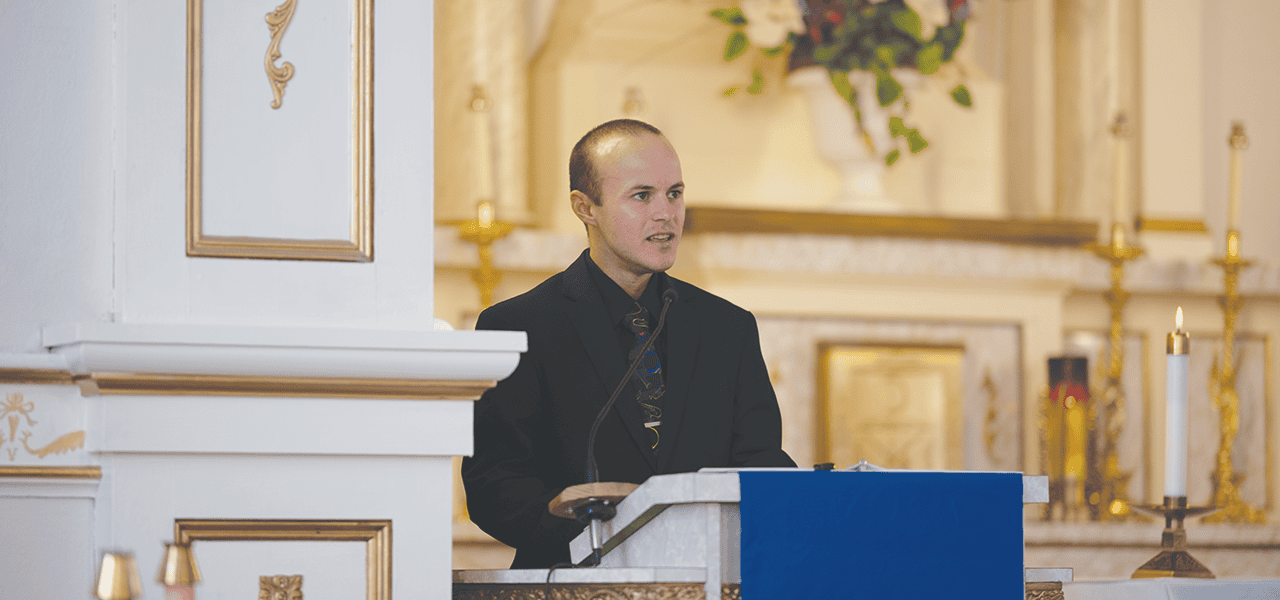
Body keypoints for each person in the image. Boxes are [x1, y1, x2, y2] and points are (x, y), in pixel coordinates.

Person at [461, 118, 795, 569]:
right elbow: (495, 483)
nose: (667, 213)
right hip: (573, 580)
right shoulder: (520, 326)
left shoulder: (727, 327)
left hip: (703, 579)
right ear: (585, 207)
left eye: (674, 193)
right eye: (642, 196)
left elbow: (761, 461)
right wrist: (602, 538)